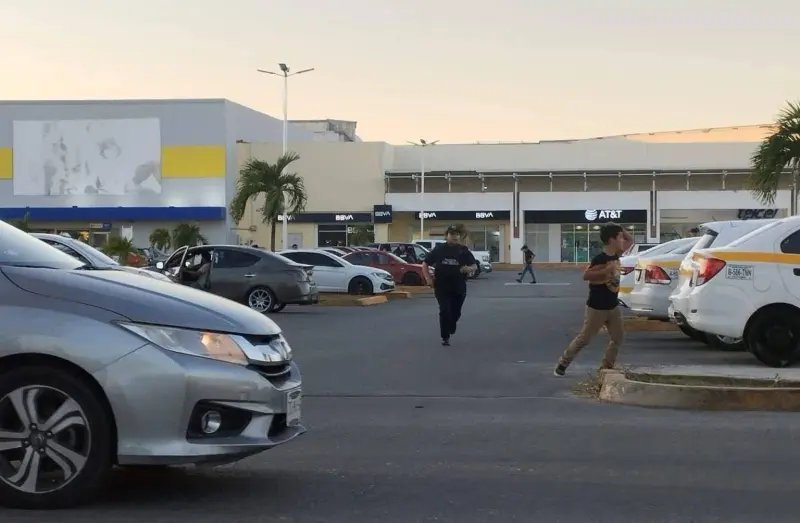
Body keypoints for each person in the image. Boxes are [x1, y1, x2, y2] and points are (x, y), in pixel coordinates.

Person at [554, 222, 633, 376]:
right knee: (585, 338)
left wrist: (619, 230)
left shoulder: (617, 255)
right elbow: (586, 276)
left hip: (613, 306)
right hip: (597, 307)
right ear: (612, 240)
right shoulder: (600, 259)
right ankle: (562, 364)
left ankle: (606, 367)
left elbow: (630, 241)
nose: (623, 240)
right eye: (620, 238)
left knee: (618, 337)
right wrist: (606, 270)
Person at [422, 226, 478, 346]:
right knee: (444, 310)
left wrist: (468, 268)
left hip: (459, 286)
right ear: (446, 236)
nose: (454, 236)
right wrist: (428, 278)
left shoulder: (463, 250)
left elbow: (474, 266)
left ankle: (452, 324)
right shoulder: (439, 249)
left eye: (457, 234)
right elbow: (425, 264)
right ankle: (445, 336)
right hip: (442, 286)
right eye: (452, 234)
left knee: (455, 312)